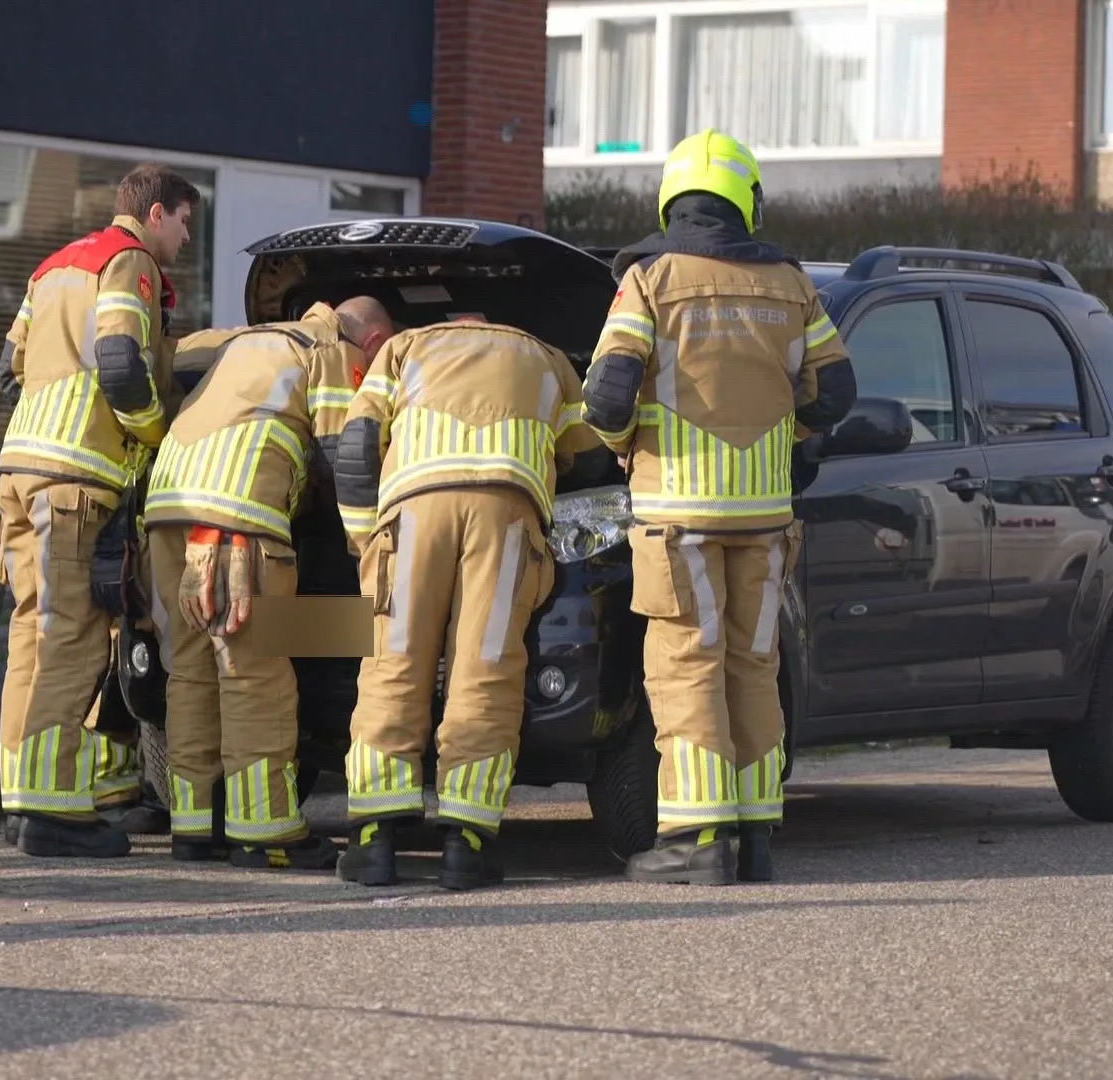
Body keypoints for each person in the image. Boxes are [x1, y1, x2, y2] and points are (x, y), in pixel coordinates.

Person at [581, 129, 857, 885]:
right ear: (748, 202)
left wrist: (625, 441)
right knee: (753, 667)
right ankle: (756, 835)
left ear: (672, 199)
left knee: (685, 667)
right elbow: (836, 393)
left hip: (680, 517)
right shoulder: (794, 285)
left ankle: (697, 842)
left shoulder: (651, 281)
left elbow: (606, 395)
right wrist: (782, 432)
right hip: (766, 516)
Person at [331, 316, 615, 890]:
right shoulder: (547, 354)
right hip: (505, 512)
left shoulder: (404, 348)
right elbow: (589, 456)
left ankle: (374, 842)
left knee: (395, 662)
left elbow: (357, 447)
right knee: (485, 669)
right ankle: (467, 843)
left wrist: (365, 544)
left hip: (413, 512)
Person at [141, 298, 398, 870]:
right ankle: (266, 832)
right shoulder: (333, 352)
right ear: (375, 343)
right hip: (237, 518)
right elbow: (343, 457)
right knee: (254, 671)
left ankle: (194, 825)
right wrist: (369, 550)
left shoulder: (253, 340)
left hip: (165, 510)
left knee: (190, 669)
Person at [0, 162, 200, 858]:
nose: (187, 236)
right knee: (73, 637)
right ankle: (52, 811)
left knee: (32, 634)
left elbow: (7, 369)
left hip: (21, 468)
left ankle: (24, 797)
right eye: (185, 220)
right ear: (158, 212)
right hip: (75, 479)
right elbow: (119, 363)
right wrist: (151, 432)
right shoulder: (128, 260)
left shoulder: (52, 266)